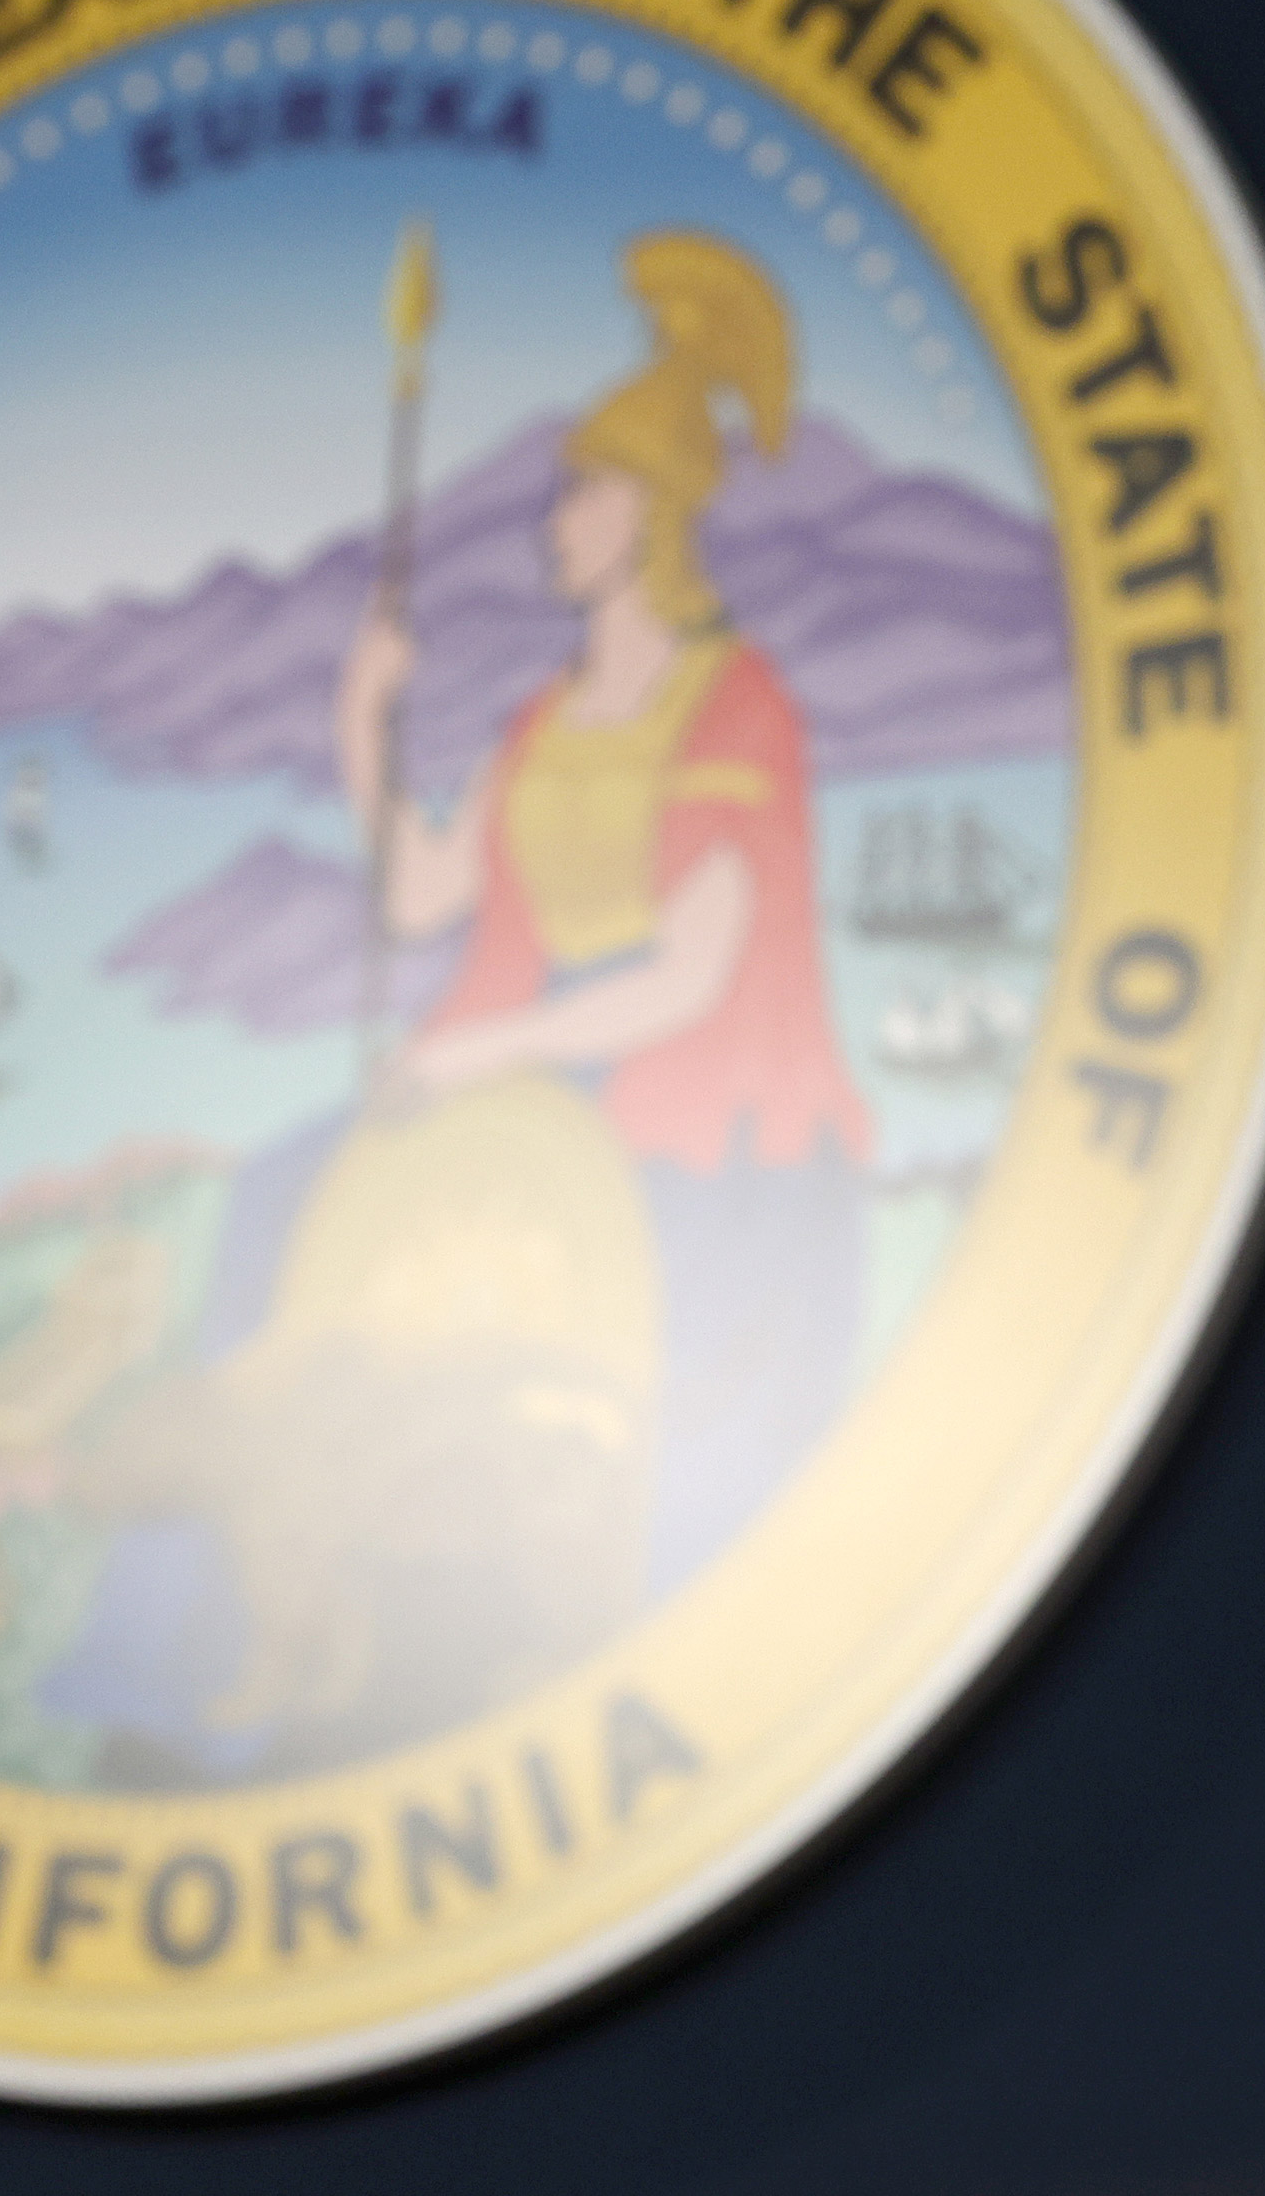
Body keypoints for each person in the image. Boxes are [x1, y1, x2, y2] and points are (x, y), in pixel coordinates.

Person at [339, 228, 874, 1597]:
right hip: (535, 1048)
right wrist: (362, 723)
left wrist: (476, 1057)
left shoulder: (736, 701)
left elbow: (692, 976)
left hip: (668, 1083)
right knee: (297, 1195)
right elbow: (420, 897)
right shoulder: (541, 716)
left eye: (582, 494)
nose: (554, 521)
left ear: (651, 510)